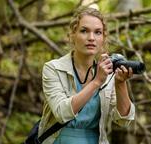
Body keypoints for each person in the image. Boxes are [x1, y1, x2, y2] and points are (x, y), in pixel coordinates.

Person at [38, 6, 135, 144]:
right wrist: (96, 82)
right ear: (72, 35)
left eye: (97, 32)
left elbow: (123, 121)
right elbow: (61, 113)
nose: (91, 38)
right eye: (84, 31)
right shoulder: (53, 68)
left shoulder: (107, 72)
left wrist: (120, 84)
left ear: (103, 38)